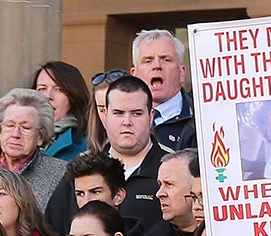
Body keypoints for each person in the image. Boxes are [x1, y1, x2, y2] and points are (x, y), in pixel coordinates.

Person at [0, 89, 77, 234]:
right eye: (10, 125)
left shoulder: (61, 173)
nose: (15, 134)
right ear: (0, 132)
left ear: (40, 137)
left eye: (26, 127)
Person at [100, 73, 166, 203]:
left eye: (136, 113)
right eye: (118, 113)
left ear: (151, 116)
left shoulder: (173, 170)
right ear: (106, 115)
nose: (127, 122)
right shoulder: (84, 170)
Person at [131, 28, 196, 151]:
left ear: (181, 73)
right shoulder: (118, 119)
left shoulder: (202, 120)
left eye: (166, 60)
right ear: (135, 74)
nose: (157, 66)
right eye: (148, 61)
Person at [36, 61, 94, 160]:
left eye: (58, 89)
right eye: (42, 89)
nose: (48, 96)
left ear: (74, 96)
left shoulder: (89, 144)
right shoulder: (18, 136)